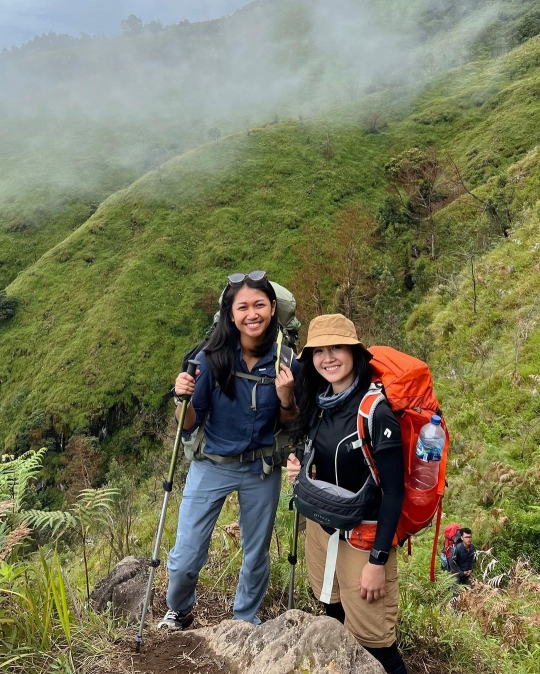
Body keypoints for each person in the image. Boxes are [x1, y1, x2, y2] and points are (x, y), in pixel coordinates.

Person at [159, 271, 301, 629]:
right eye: (243, 307)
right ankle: (180, 608)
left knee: (256, 554)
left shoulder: (286, 362)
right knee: (186, 555)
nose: (251, 314)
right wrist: (182, 397)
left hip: (261, 466)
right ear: (231, 314)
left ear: (272, 308)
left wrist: (286, 399)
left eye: (259, 305)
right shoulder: (210, 359)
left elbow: (290, 424)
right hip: (212, 463)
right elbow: (189, 422)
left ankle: (244, 620)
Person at [287, 314, 407, 674]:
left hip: (365, 539)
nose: (328, 358)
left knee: (377, 646)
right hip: (324, 532)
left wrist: (377, 562)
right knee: (334, 615)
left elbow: (394, 493)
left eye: (336, 347)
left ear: (355, 352)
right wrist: (300, 470)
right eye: (319, 350)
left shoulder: (376, 412)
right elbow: (321, 464)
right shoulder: (320, 404)